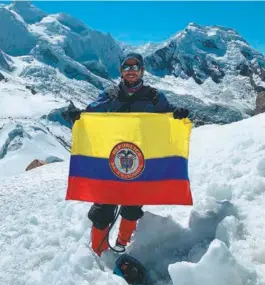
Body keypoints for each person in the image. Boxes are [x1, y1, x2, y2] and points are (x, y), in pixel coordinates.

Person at [65, 52, 189, 257]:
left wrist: (178, 115)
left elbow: (169, 115)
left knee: (132, 205)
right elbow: (90, 115)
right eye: (127, 67)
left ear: (142, 71)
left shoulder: (155, 97)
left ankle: (122, 244)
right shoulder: (110, 95)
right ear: (121, 71)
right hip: (111, 161)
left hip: (140, 160)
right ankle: (99, 252)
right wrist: (77, 116)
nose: (131, 71)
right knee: (104, 208)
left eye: (135, 67)